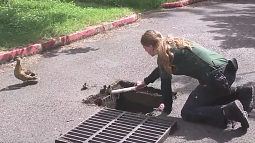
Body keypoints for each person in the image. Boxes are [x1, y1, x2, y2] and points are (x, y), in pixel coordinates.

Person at [135, 30, 254, 129]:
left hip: (216, 79)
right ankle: (242, 92)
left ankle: (227, 112)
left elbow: (165, 86)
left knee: (188, 112)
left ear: (150, 46)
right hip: (227, 70)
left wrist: (167, 108)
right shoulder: (173, 43)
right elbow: (162, 70)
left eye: (145, 48)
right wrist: (146, 81)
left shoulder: (163, 57)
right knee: (209, 100)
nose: (145, 51)